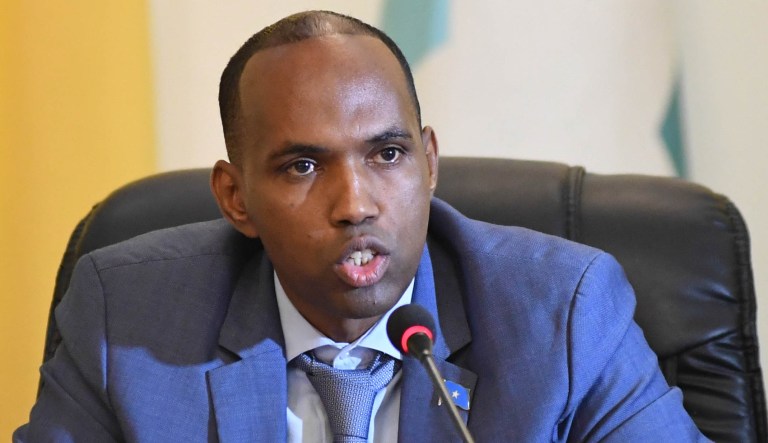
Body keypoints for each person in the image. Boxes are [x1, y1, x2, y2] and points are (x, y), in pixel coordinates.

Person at [16, 10, 709, 442]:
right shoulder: (126, 318)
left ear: (430, 163)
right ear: (234, 198)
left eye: (387, 154)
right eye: (301, 166)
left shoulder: (565, 311)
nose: (355, 203)